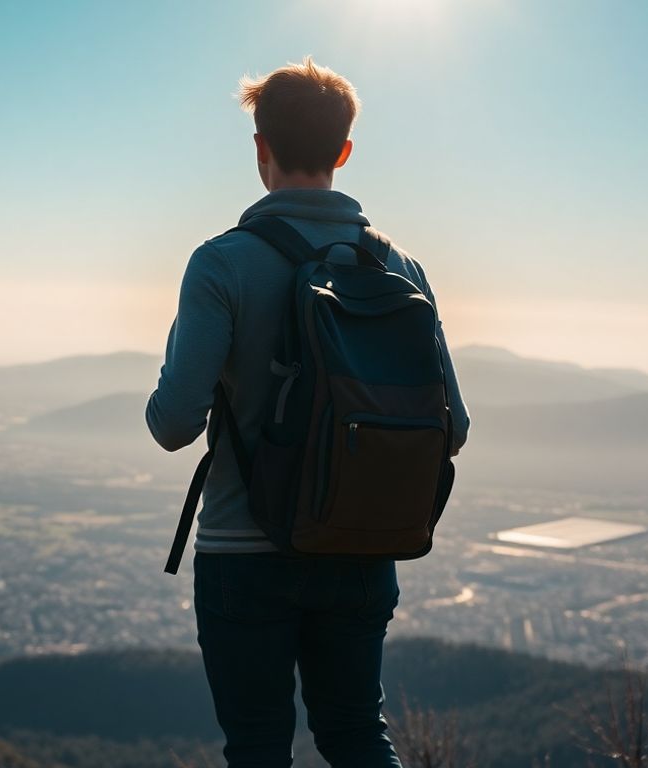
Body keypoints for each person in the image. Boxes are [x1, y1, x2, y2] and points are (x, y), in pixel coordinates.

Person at [144, 56, 470, 767]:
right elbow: (458, 427)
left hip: (243, 550)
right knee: (357, 733)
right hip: (360, 545)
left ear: (260, 149)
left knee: (258, 746)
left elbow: (173, 425)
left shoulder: (222, 262)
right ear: (344, 153)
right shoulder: (399, 270)